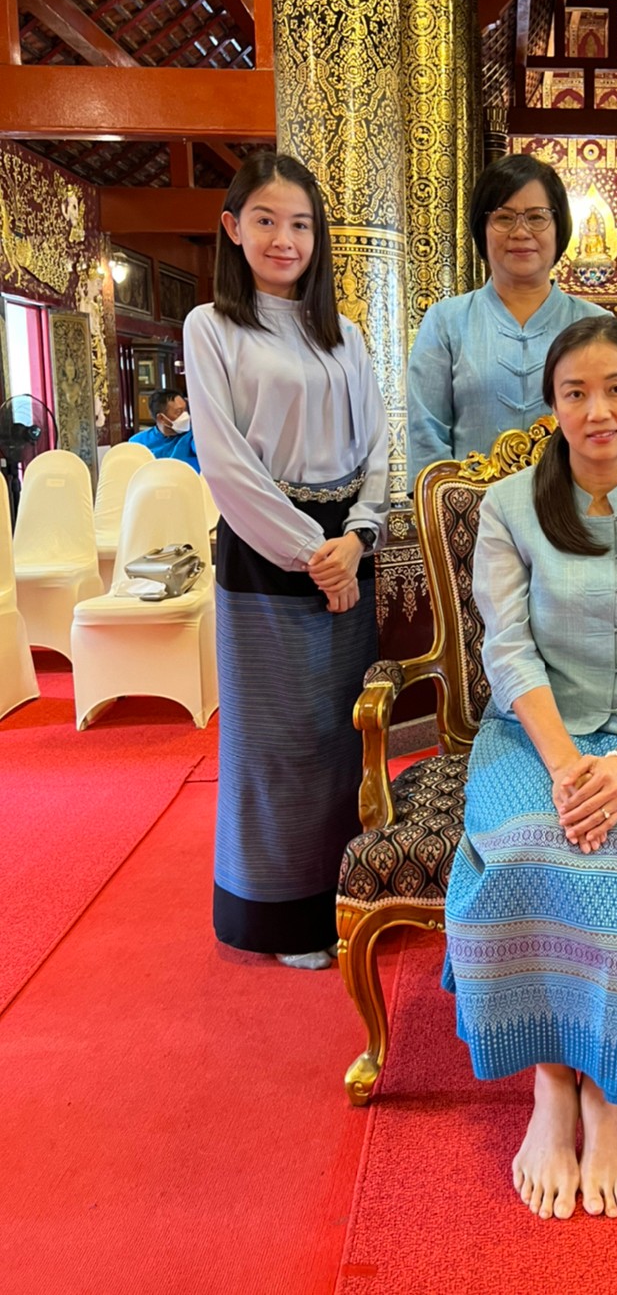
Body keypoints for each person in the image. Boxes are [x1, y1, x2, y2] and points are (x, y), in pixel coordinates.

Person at [444, 315, 617, 1221]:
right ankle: (550, 1081)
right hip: (531, 737)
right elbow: (508, 648)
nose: (598, 410)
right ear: (553, 406)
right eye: (576, 393)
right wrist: (568, 767)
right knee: (532, 840)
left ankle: (607, 1090)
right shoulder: (510, 507)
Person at [183, 151, 389, 971]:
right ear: (233, 228)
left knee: (343, 735)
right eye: (266, 220)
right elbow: (225, 461)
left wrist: (359, 536)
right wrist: (310, 552)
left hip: (348, 544)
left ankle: (347, 896)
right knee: (277, 742)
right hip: (268, 546)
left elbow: (378, 446)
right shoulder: (212, 327)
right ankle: (280, 917)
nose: (284, 239)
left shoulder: (345, 334)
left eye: (300, 224)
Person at [406, 153, 606, 478]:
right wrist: (447, 502)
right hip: (471, 507)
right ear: (482, 228)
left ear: (560, 228)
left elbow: (610, 428)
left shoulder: (597, 326)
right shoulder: (445, 322)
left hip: (575, 505)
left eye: (537, 217)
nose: (521, 231)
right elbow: (426, 434)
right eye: (504, 217)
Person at [129, 388, 200, 471]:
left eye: (185, 410)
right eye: (179, 412)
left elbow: (204, 450)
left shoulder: (193, 435)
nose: (186, 416)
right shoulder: (137, 443)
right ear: (161, 418)